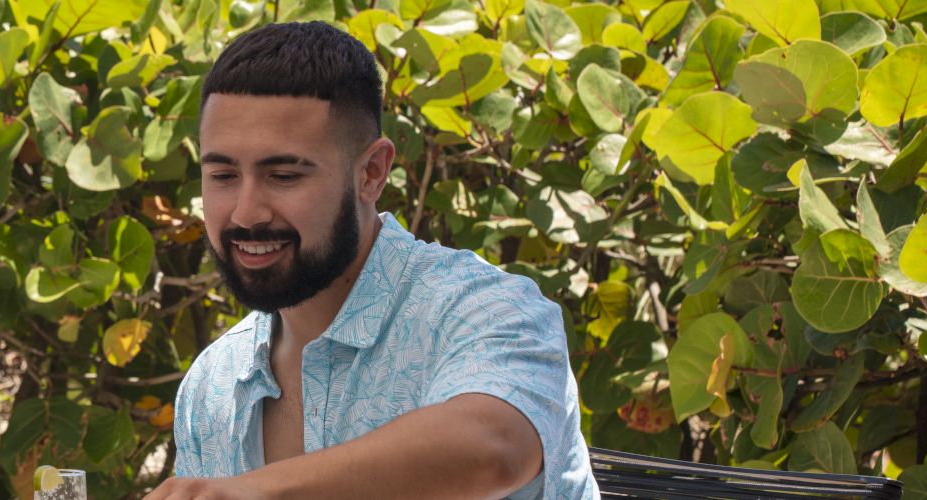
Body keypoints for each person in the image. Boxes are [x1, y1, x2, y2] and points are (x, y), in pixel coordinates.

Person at [148, 22, 598, 499]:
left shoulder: (488, 310)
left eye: (282, 175)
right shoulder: (212, 383)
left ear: (372, 173)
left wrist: (255, 492)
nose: (245, 212)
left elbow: (496, 448)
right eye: (222, 175)